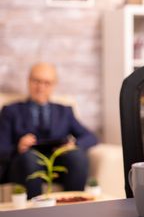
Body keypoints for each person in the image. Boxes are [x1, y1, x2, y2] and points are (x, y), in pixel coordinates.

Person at [0, 63, 97, 198]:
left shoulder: (64, 111)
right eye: (36, 81)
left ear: (54, 85)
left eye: (47, 83)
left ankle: (74, 207)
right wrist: (18, 146)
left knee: (77, 156)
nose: (41, 87)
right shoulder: (11, 111)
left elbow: (90, 137)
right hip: (24, 166)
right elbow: (2, 148)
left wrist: (73, 145)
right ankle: (36, 214)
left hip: (57, 167)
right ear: (28, 81)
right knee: (29, 159)